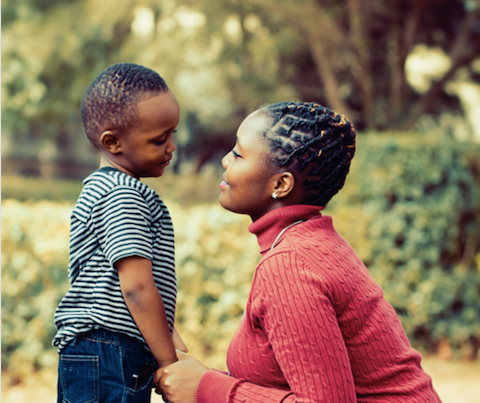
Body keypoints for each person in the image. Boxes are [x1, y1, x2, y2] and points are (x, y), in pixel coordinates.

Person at [157, 102, 442, 403]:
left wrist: (207, 389)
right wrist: (205, 378)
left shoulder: (291, 264)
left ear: (281, 184)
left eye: (239, 154)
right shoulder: (310, 242)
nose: (226, 160)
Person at [53, 63, 187, 403]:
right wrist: (170, 364)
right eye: (159, 139)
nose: (172, 146)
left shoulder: (109, 189)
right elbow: (137, 288)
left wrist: (176, 346)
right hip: (108, 352)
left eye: (173, 132)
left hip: (105, 352)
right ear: (112, 142)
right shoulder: (121, 194)